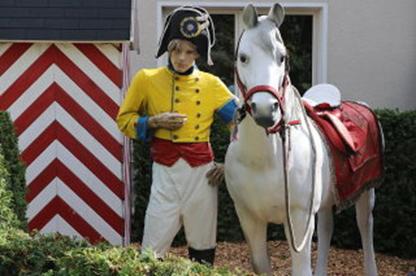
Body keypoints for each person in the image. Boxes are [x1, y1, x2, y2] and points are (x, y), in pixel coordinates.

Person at [116, 6, 238, 265]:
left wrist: (230, 163)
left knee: (203, 247)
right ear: (168, 49)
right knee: (151, 249)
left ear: (199, 53)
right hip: (165, 173)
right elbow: (124, 120)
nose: (181, 57)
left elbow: (241, 125)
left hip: (202, 176)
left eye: (189, 51)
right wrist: (153, 122)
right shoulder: (146, 79)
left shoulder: (212, 85)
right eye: (176, 50)